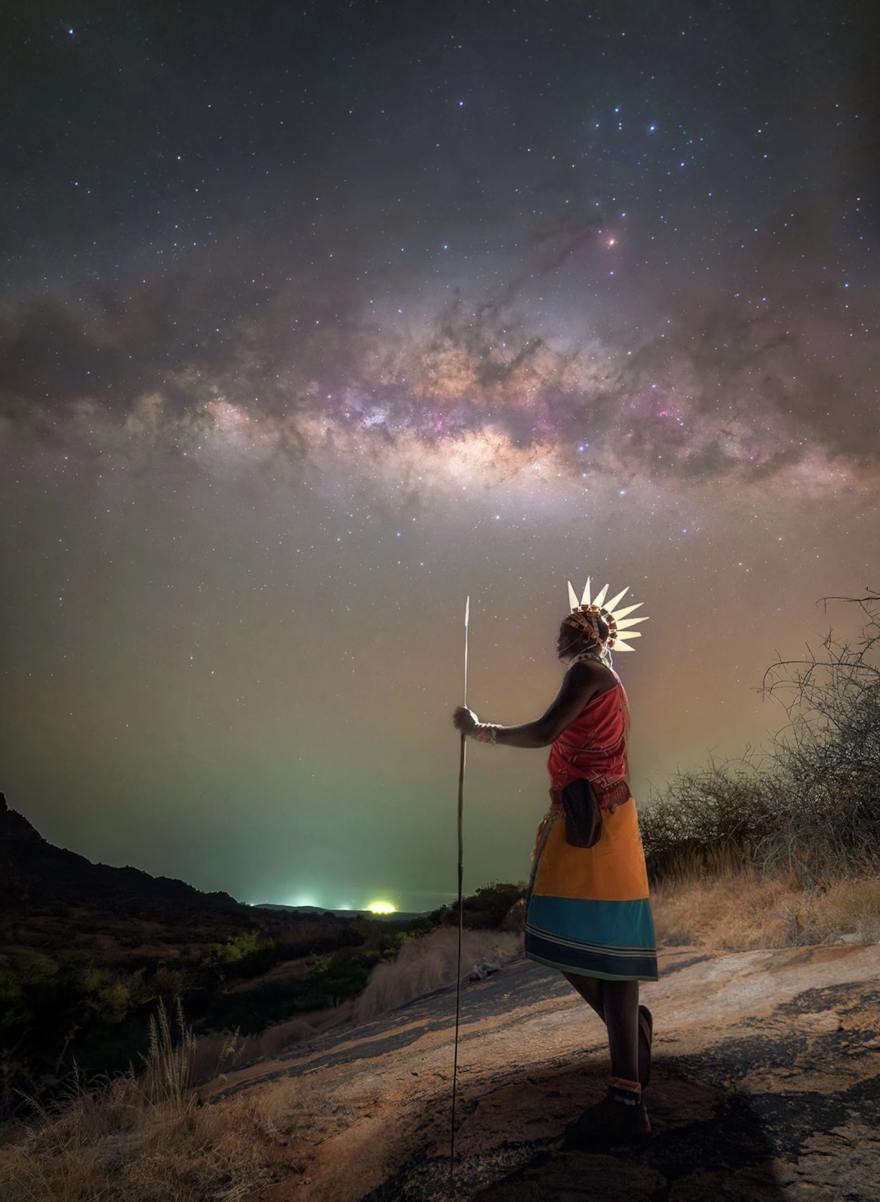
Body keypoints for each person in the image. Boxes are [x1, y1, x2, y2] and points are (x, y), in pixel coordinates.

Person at [453, 580, 657, 1149]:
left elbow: (546, 732)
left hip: (590, 824)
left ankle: (629, 1086)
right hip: (606, 819)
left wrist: (480, 732)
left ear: (593, 636)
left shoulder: (588, 672)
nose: (568, 631)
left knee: (555, 936)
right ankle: (629, 1065)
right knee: (605, 949)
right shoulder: (608, 679)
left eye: (579, 624)